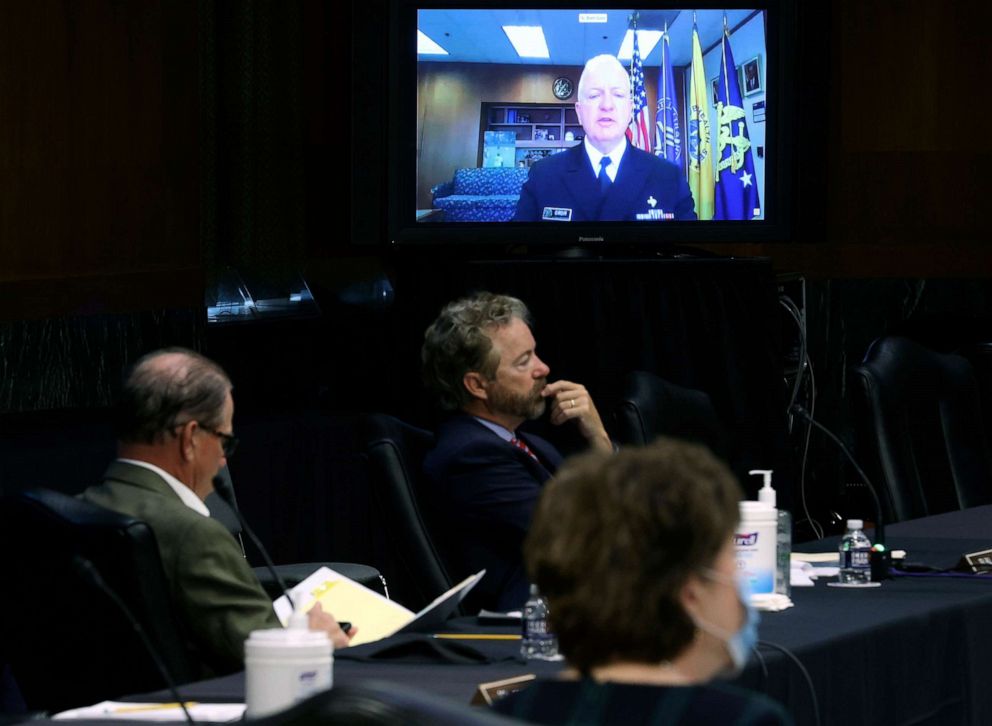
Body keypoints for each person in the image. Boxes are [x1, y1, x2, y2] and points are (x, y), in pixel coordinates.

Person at [82, 348, 353, 677]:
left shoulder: (76, 512)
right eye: (225, 440)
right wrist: (317, 640)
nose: (224, 459)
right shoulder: (193, 535)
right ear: (190, 438)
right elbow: (271, 667)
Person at [493, 439, 791, 725]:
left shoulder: (502, 715)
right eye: (733, 563)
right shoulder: (744, 720)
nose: (740, 583)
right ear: (691, 595)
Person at [422, 292, 612, 611]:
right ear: (477, 385)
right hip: (534, 628)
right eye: (524, 362)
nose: (543, 368)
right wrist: (602, 443)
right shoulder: (470, 456)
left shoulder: (532, 444)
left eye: (535, 353)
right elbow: (580, 534)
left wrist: (598, 437)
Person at [513, 54, 696, 223]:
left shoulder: (668, 177)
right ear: (579, 112)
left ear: (630, 109)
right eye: (594, 95)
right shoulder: (544, 175)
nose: (607, 105)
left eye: (617, 95)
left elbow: (690, 250)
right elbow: (518, 250)